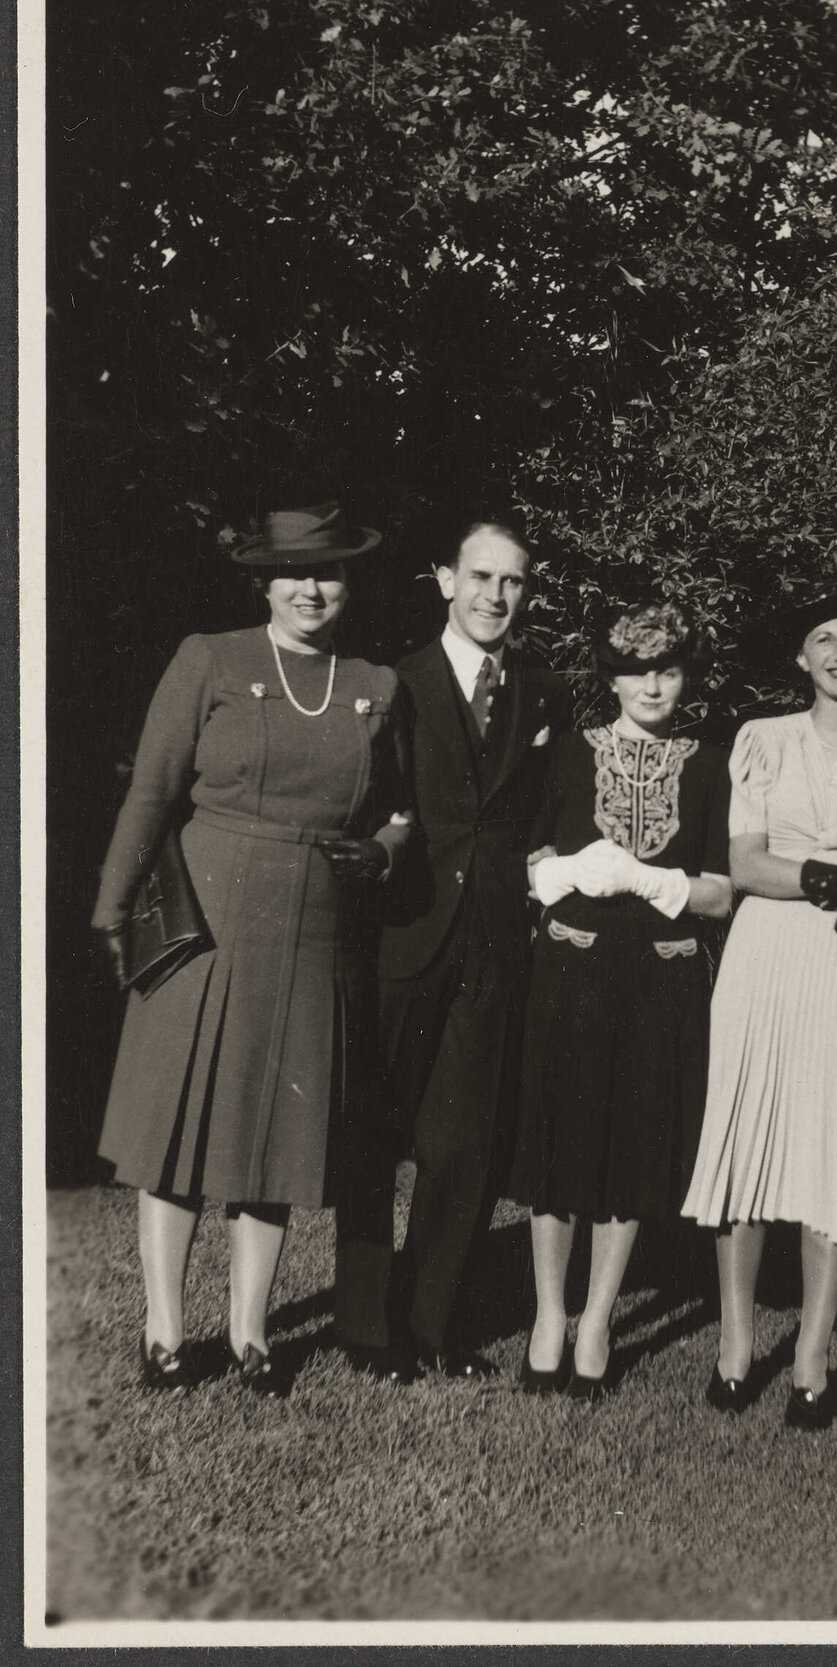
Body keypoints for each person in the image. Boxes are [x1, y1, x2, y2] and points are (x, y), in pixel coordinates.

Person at [90, 502, 412, 1397]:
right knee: (178, 1132)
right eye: (295, 574)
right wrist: (113, 909)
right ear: (264, 583)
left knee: (274, 1135)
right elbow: (152, 793)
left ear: (349, 585)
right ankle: (164, 1331)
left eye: (329, 573)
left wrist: (385, 851)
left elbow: (402, 809)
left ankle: (250, 1331)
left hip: (313, 930)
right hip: (206, 918)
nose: (312, 589)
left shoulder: (376, 684)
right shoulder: (211, 658)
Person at [333, 517, 571, 1383]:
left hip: (493, 941)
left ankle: (432, 1322)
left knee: (463, 1141)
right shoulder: (394, 683)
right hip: (405, 931)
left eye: (512, 582)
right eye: (480, 576)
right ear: (445, 579)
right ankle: (366, 1324)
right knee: (375, 1132)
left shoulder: (543, 692)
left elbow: (545, 813)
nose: (494, 596)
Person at [682, 588, 837, 1430]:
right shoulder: (763, 738)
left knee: (835, 1149)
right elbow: (746, 864)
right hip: (766, 958)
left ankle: (813, 1353)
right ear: (801, 656)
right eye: (825, 638)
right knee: (748, 1143)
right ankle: (737, 1343)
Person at [509, 601, 733, 1400]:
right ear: (611, 678)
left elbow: (721, 892)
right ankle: (548, 1315)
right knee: (560, 1145)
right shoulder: (569, 753)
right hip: (572, 971)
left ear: (686, 677)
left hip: (661, 979)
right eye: (637, 671)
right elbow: (525, 858)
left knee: (632, 1149)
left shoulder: (711, 764)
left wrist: (645, 877)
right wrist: (568, 871)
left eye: (668, 670)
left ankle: (598, 1319)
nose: (653, 686)